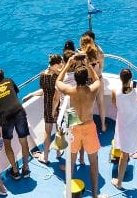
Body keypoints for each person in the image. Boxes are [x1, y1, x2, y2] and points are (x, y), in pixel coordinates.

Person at [56, 52, 104, 198]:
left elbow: (58, 81)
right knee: (94, 163)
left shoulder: (69, 91)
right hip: (88, 125)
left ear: (75, 79)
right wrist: (89, 65)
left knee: (70, 162)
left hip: (74, 124)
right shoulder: (92, 90)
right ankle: (95, 195)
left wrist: (68, 64)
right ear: (86, 78)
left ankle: (69, 192)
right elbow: (97, 79)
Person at [0, 67, 32, 179]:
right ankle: (26, 168)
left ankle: (15, 171)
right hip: (19, 112)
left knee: (7, 144)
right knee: (23, 140)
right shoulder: (10, 81)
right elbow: (16, 92)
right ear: (3, 75)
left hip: (5, 117)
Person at [111, 68, 137, 189]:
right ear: (131, 79)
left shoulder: (114, 92)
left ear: (120, 78)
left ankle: (119, 183)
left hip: (125, 126)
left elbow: (116, 106)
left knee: (124, 154)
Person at [23, 54, 63, 163]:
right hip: (57, 106)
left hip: (47, 106)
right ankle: (58, 152)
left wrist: (31, 94)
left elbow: (43, 91)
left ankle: (45, 157)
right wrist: (54, 110)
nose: (61, 66)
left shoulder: (42, 75)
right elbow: (56, 96)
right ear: (54, 65)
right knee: (59, 129)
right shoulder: (58, 77)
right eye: (60, 64)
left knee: (47, 132)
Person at [79, 34, 106, 131]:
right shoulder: (100, 53)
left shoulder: (81, 56)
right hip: (99, 79)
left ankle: (89, 127)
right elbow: (102, 67)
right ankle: (103, 126)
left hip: (88, 82)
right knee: (101, 103)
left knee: (88, 105)